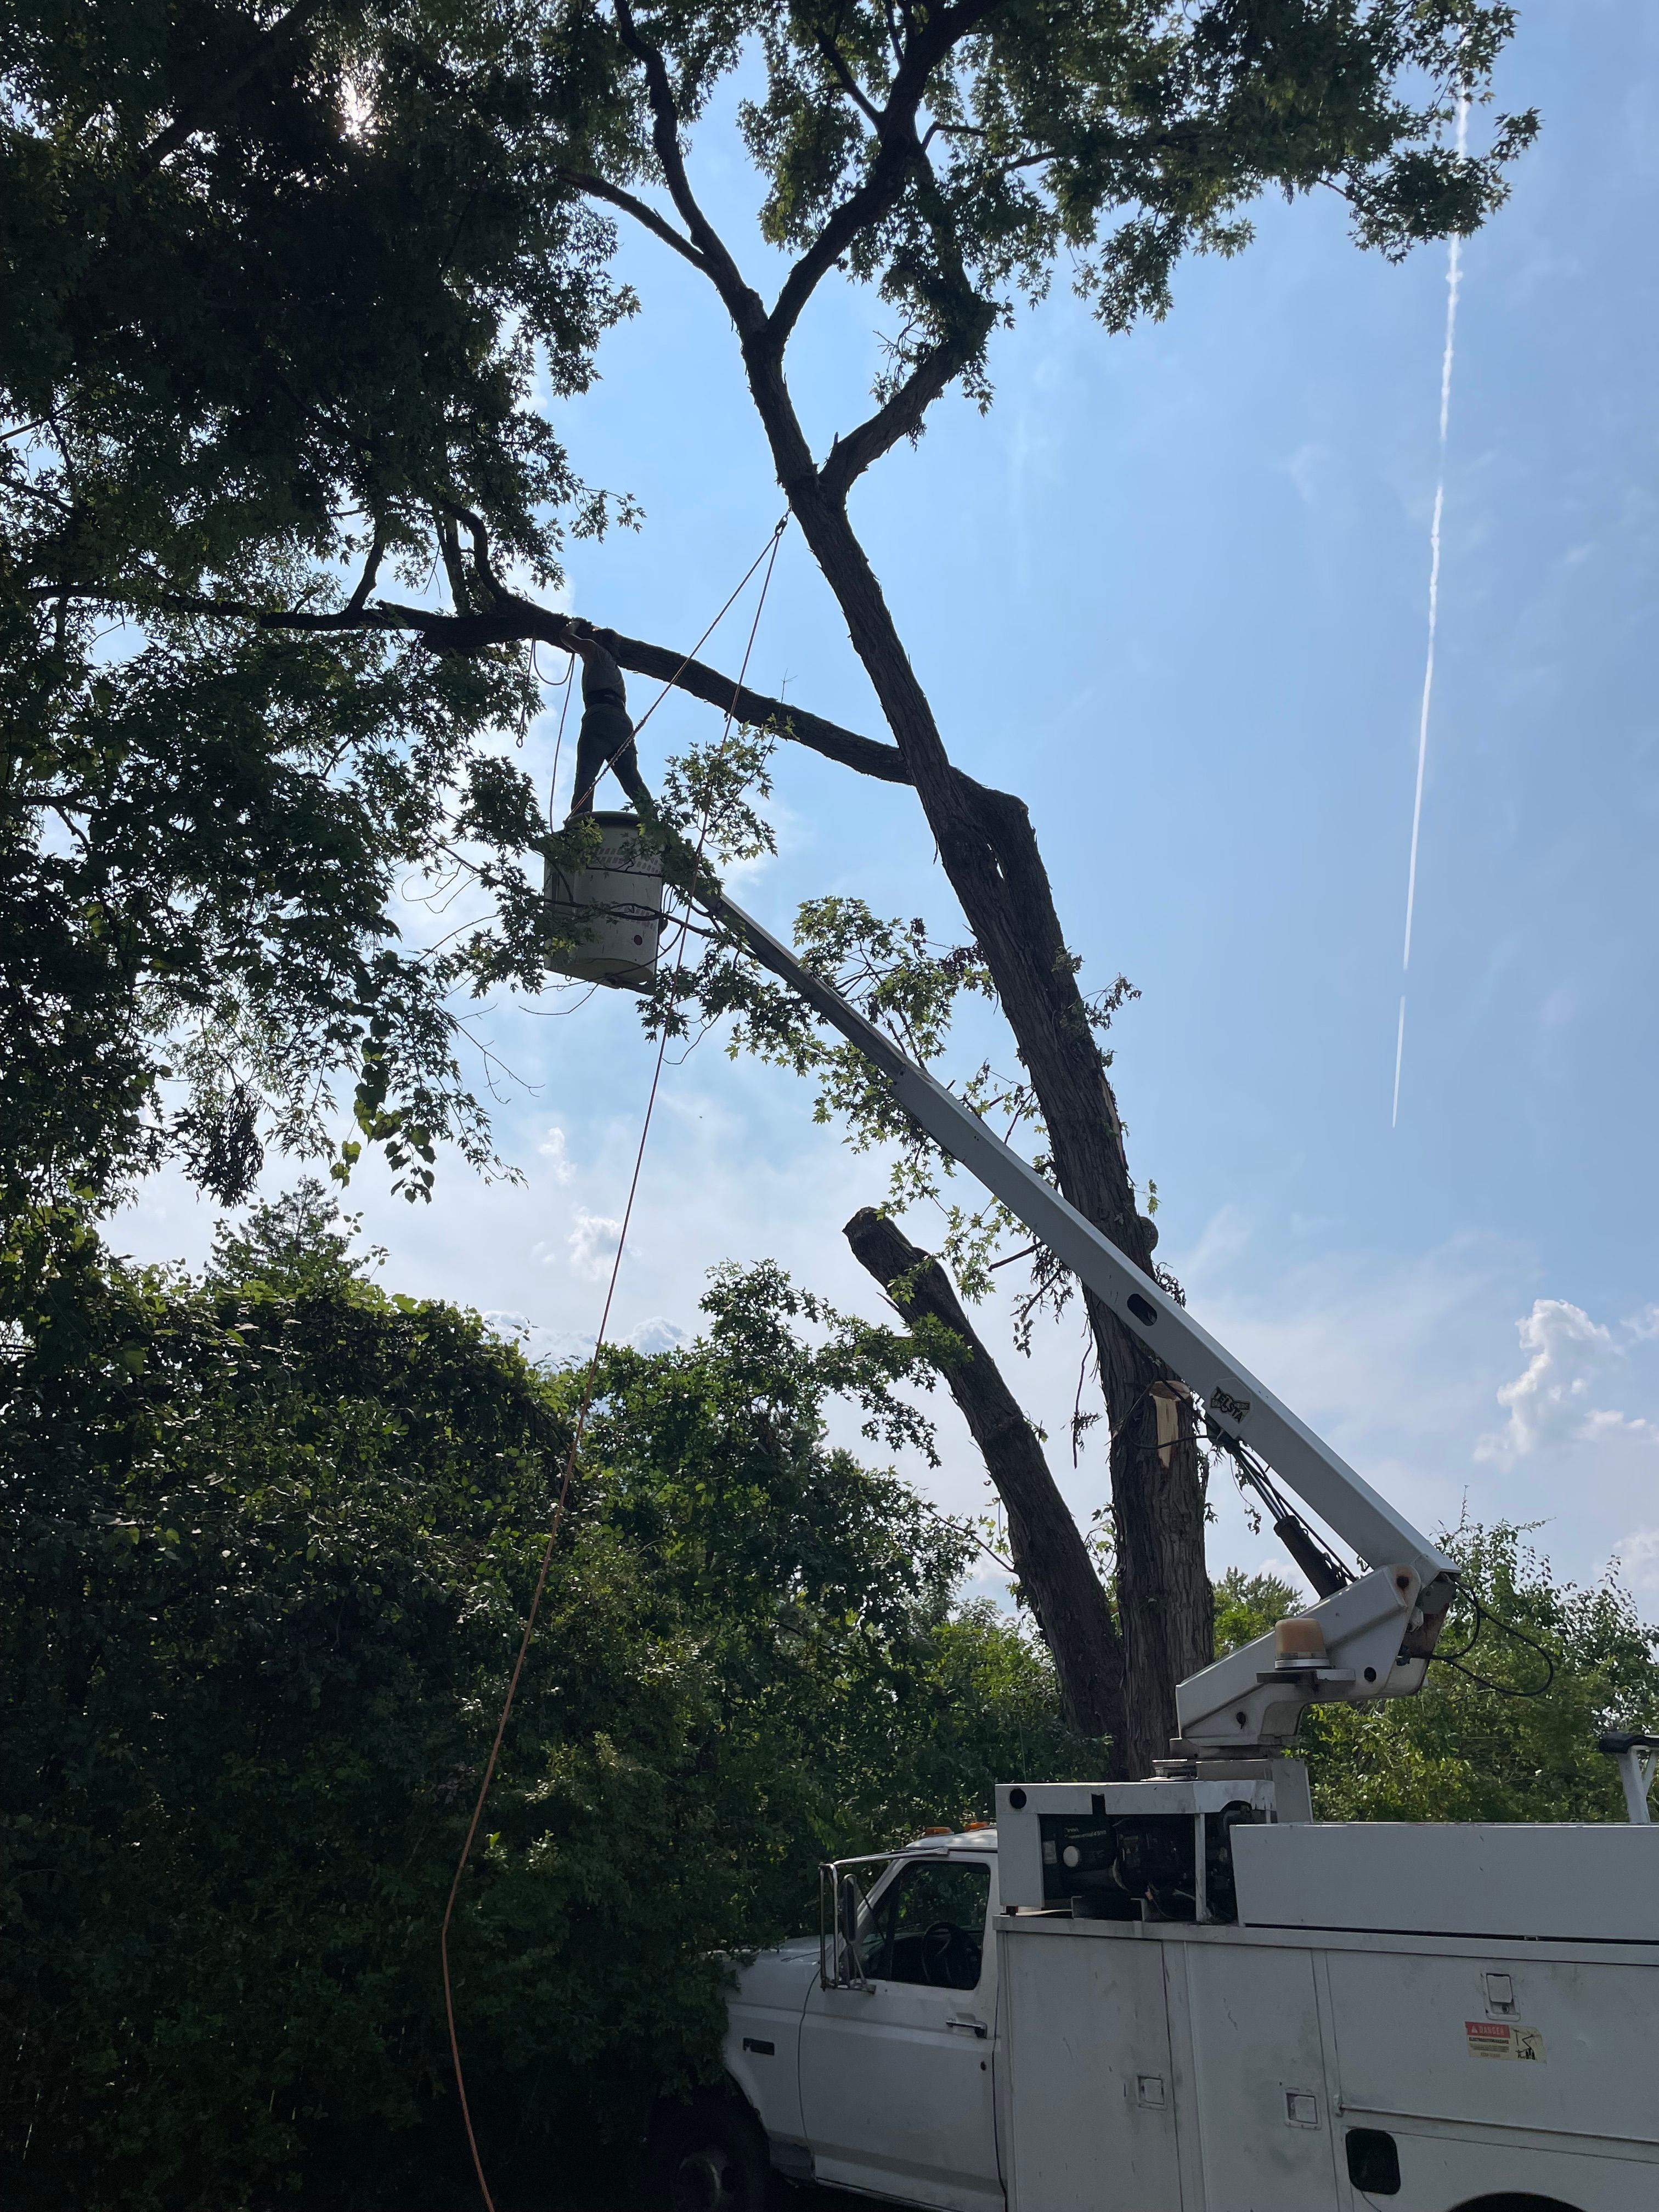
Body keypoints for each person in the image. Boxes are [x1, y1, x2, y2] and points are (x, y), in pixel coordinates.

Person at [563, 625, 651, 819]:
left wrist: (574, 624)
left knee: (586, 773)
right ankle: (651, 818)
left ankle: (581, 817)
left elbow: (567, 638)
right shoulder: (613, 669)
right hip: (621, 722)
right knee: (631, 777)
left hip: (599, 717)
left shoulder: (595, 651)